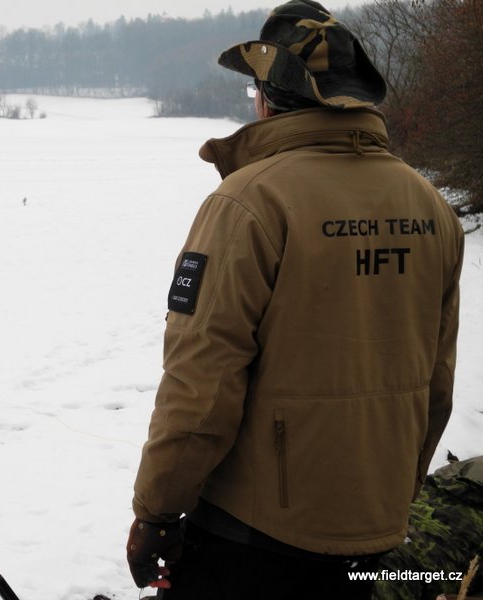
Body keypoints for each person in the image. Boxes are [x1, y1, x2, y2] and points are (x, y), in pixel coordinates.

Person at [126, 1, 465, 598]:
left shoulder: (248, 202)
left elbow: (202, 382)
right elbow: (437, 381)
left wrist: (156, 511)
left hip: (254, 534)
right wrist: (396, 493)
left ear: (269, 98)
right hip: (376, 523)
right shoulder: (429, 204)